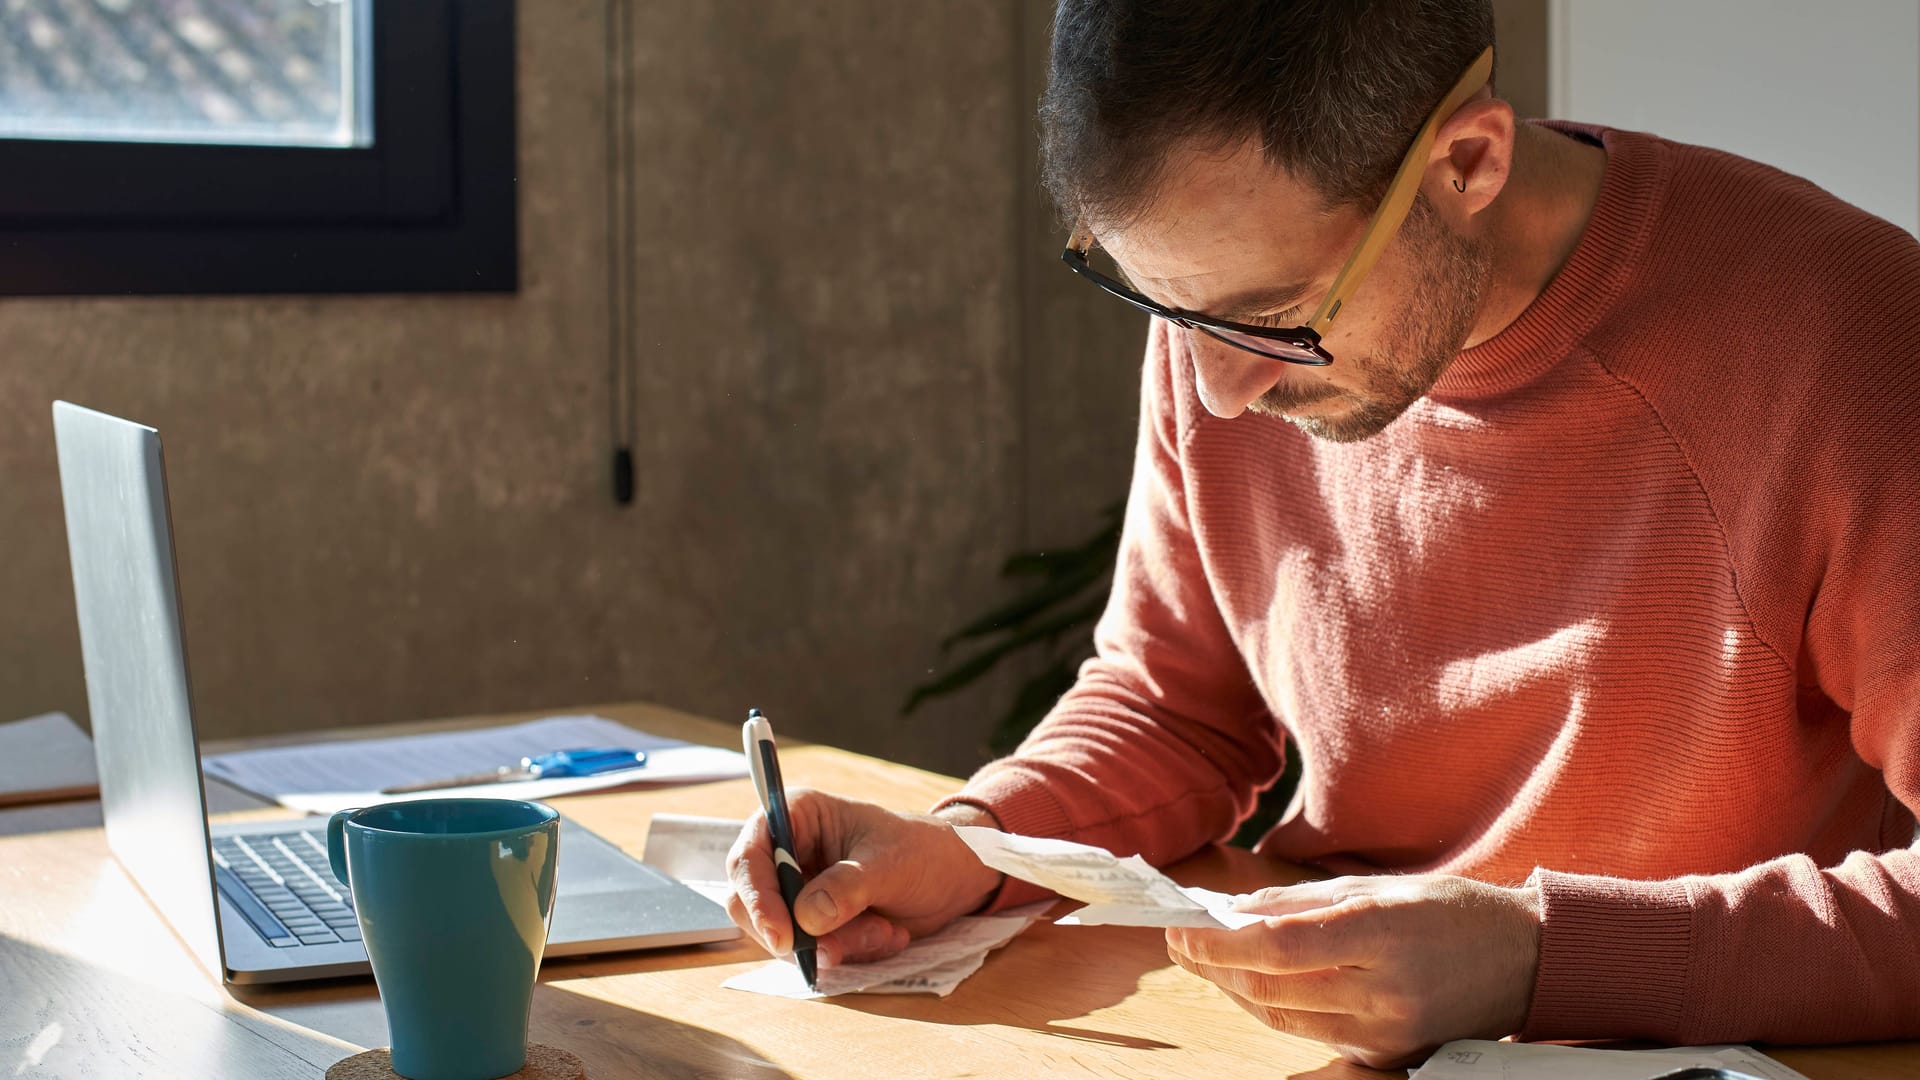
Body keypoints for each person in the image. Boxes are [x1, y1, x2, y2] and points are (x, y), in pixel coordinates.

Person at [728, 0, 1920, 1065]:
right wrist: (979, 843)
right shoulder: (1229, 305)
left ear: (1467, 162)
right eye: (1160, 307)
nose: (1216, 395)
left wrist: (1536, 954)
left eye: (1276, 321)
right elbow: (1174, 707)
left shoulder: (1848, 347)